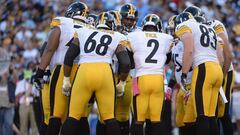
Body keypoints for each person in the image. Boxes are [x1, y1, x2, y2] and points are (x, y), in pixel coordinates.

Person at [60, 12, 131, 135]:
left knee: (73, 116)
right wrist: (122, 82)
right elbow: (125, 63)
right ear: (112, 24)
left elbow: (69, 56)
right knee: (109, 118)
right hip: (105, 72)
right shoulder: (117, 36)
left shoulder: (83, 31)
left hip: (84, 72)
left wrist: (66, 79)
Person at [32, 2, 91, 135]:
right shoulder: (90, 28)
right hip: (82, 72)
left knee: (55, 116)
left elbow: (49, 48)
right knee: (79, 116)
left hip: (62, 70)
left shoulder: (63, 23)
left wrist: (40, 72)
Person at [175, 12, 223, 135]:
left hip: (203, 68)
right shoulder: (208, 28)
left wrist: (184, 75)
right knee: (211, 115)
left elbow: (189, 50)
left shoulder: (184, 25)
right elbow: (221, 56)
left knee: (201, 115)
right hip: (217, 69)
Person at [127, 14, 173, 135]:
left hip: (142, 78)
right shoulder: (166, 38)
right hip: (158, 79)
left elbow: (128, 57)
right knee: (156, 119)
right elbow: (168, 59)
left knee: (138, 120)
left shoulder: (134, 36)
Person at [15, 70, 38, 135]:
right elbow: (16, 94)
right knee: (23, 124)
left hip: (32, 104)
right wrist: (25, 93)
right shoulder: (20, 83)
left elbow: (36, 94)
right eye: (27, 77)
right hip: (23, 105)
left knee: (34, 124)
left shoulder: (34, 82)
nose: (28, 79)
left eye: (29, 77)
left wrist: (28, 94)